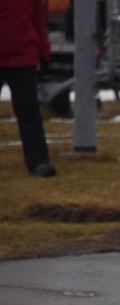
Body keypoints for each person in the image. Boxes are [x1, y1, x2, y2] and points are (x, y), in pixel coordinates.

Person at [0, 0, 57, 177]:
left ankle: (38, 162)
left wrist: (44, 52)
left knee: (29, 110)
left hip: (24, 56)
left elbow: (39, 21)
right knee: (29, 112)